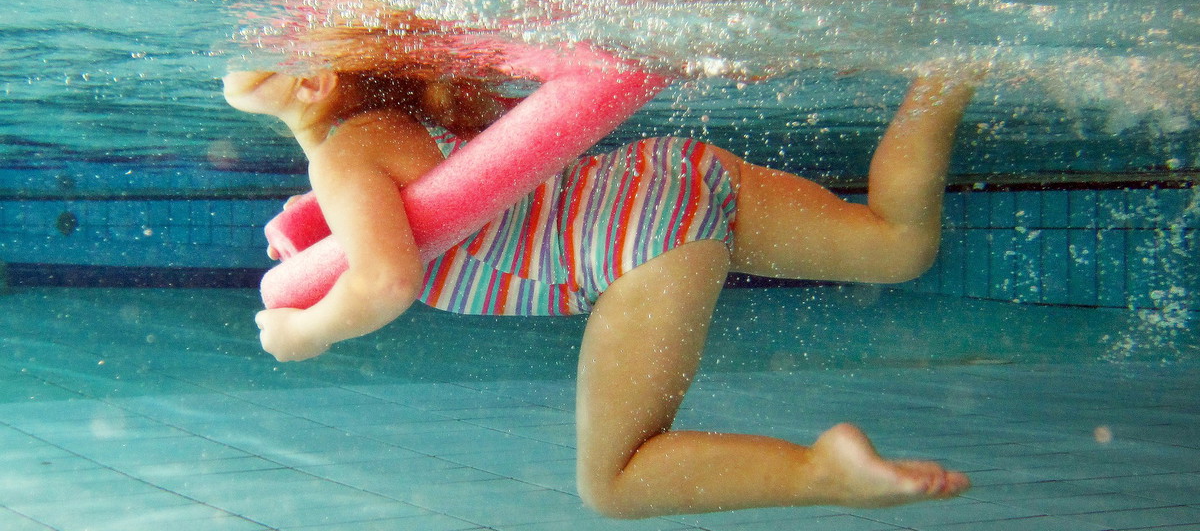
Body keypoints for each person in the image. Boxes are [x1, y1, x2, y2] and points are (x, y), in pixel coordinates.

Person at [222, 45, 980, 519]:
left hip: (637, 247)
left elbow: (386, 280)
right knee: (898, 244)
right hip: (664, 173)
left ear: (313, 80)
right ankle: (949, 74)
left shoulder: (346, 154)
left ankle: (824, 474)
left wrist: (304, 331)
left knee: (615, 483)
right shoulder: (399, 126)